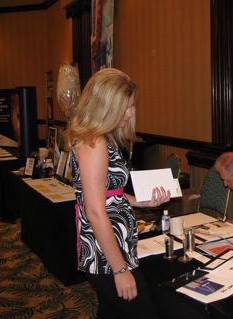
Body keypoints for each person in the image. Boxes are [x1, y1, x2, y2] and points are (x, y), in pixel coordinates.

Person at [66, 68, 170, 318]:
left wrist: (140, 201)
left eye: (131, 106)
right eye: (125, 107)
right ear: (105, 106)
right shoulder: (95, 142)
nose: (130, 113)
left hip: (113, 249)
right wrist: (120, 271)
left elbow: (108, 194)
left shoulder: (103, 138)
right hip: (106, 255)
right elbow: (94, 210)